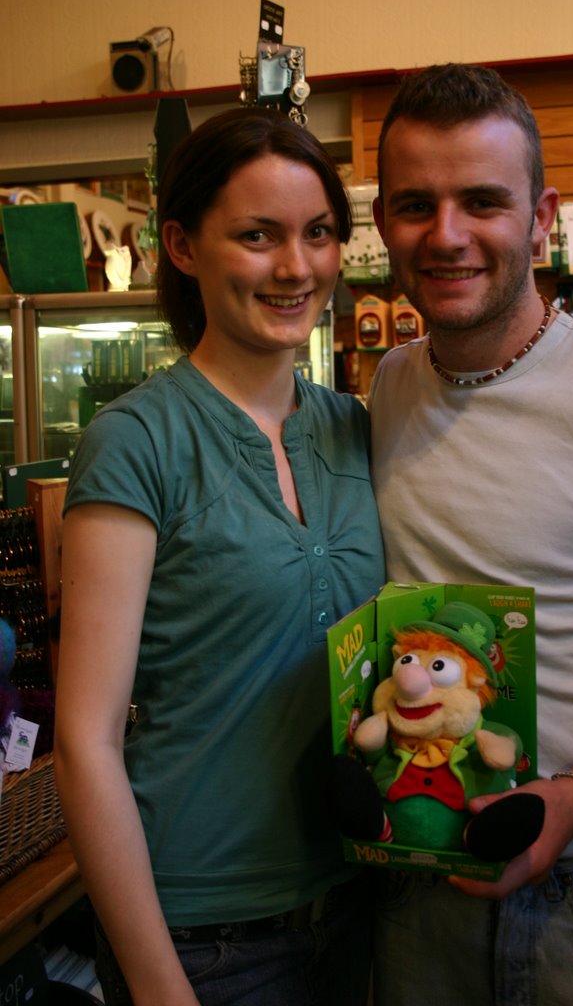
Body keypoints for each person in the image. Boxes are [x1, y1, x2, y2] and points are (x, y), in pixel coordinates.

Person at [53, 107, 385, 1006]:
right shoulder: (136, 443)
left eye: (318, 234)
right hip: (203, 940)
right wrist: (162, 986)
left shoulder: (355, 428)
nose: (296, 266)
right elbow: (84, 743)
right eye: (256, 235)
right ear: (184, 246)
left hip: (357, 908)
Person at [367, 63, 573, 1005]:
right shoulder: (384, 389)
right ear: (381, 222)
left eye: (482, 202)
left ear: (542, 219)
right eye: (415, 204)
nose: (447, 234)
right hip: (420, 882)